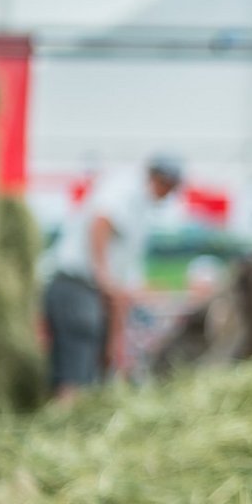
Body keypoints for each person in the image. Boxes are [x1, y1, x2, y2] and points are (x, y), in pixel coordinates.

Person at [44, 155, 183, 397]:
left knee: (89, 367)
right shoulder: (126, 188)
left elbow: (126, 281)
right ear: (159, 179)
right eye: (168, 187)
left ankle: (71, 414)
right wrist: (104, 278)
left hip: (91, 290)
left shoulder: (141, 208)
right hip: (76, 285)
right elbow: (101, 223)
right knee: (77, 366)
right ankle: (64, 413)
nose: (168, 195)